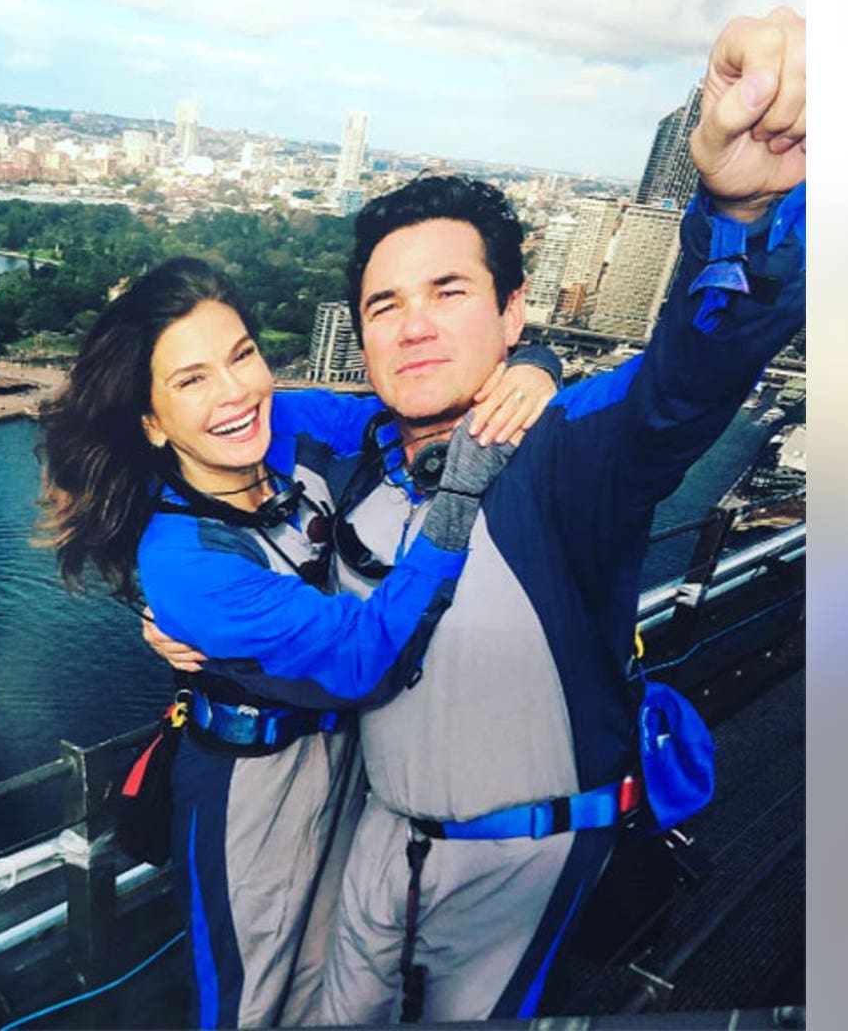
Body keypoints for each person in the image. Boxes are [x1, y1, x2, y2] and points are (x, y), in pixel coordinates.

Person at [146, 8, 808, 1023]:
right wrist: (168, 603)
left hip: (521, 860)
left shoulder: (561, 452)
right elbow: (195, 437)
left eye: (448, 292)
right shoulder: (348, 441)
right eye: (382, 305)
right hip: (376, 834)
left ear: (511, 313)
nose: (412, 326)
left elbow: (685, 379)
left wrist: (744, 210)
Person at [35, 256, 558, 1028]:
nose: (237, 392)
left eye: (243, 355)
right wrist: (458, 499)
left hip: (355, 760)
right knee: (257, 988)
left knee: (345, 968)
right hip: (256, 786)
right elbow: (359, 659)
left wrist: (534, 369)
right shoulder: (183, 563)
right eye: (192, 380)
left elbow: (413, 419)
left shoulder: (288, 427)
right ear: (150, 420)